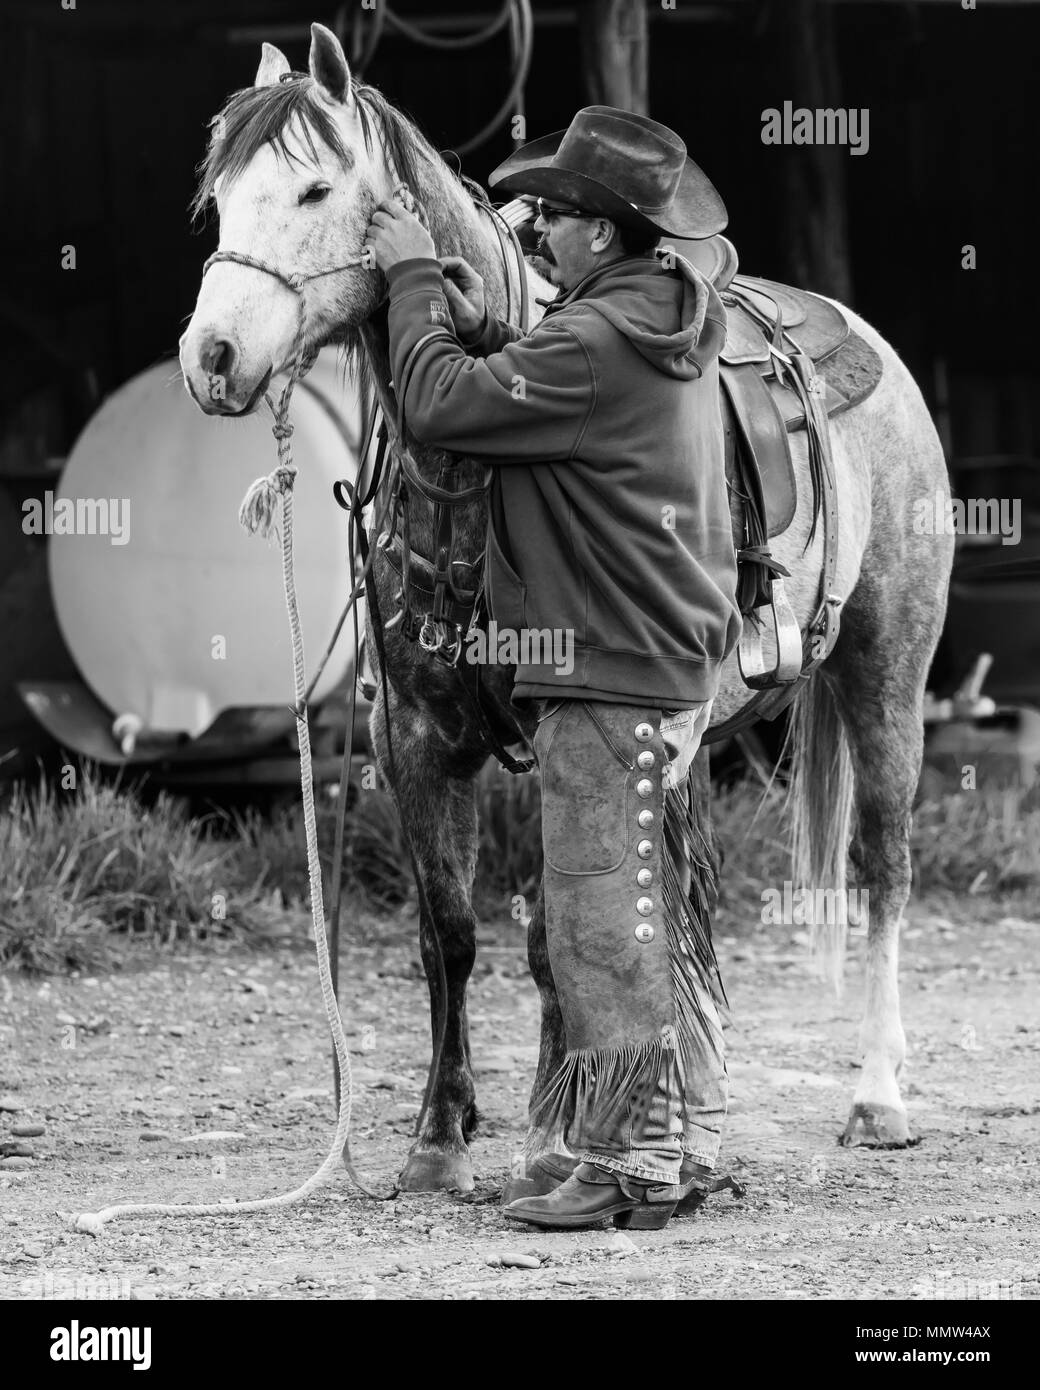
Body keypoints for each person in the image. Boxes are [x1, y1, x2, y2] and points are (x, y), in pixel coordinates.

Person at [365, 106, 743, 1230]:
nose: (534, 224)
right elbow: (516, 385)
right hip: (635, 653)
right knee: (602, 907)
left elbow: (434, 406)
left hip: (608, 664)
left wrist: (412, 282)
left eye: (557, 212)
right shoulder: (632, 322)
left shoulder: (587, 344)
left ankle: (640, 1164)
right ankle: (609, 1141)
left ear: (608, 233)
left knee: (599, 918)